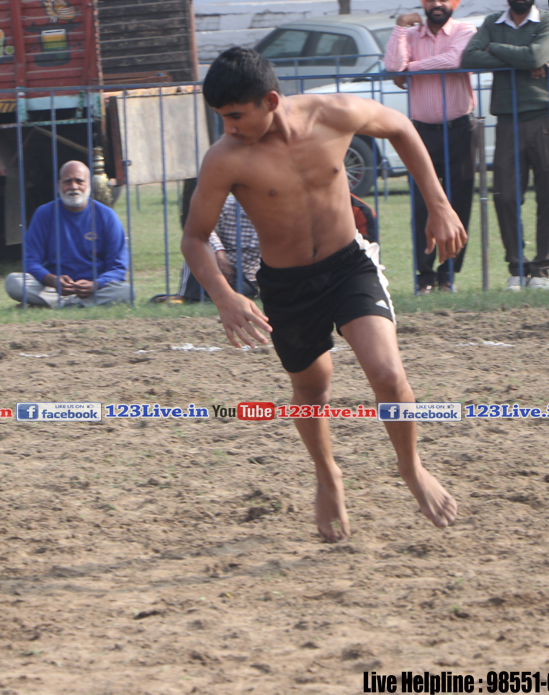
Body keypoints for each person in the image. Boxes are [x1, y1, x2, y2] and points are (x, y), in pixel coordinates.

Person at [182, 47, 466, 542]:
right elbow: (194, 238)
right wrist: (225, 296)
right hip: (286, 285)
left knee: (387, 373)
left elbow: (401, 126)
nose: (228, 127)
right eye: (221, 117)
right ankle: (327, 474)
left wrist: (438, 204)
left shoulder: (333, 113)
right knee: (313, 390)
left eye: (235, 115)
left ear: (271, 100)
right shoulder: (225, 158)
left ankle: (411, 466)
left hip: (348, 266)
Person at [461, 0, 549, 291]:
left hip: (546, 116)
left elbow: (537, 55)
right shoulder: (493, 22)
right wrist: (521, 57)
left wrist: (496, 50)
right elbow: (469, 57)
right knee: (505, 195)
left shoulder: (548, 22)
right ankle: (517, 267)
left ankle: (542, 270)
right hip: (508, 119)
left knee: (548, 196)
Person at [384, 0, 476, 295]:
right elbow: (393, 65)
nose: (437, 4)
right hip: (420, 133)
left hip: (459, 129)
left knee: (458, 203)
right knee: (423, 204)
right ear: (424, 1)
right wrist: (399, 27)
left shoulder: (465, 31)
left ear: (453, 2)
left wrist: (411, 69)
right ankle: (423, 276)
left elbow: (454, 60)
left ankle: (448, 275)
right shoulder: (411, 35)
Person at [5, 160, 132, 307]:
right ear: (59, 185)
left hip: (94, 289)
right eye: (67, 182)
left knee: (126, 291)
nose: (73, 187)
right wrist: (52, 280)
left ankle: (53, 303)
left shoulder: (107, 216)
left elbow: (118, 266)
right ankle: (77, 303)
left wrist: (96, 284)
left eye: (79, 181)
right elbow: (30, 261)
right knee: (13, 282)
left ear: (89, 185)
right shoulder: (44, 214)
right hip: (53, 289)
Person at [176, 194, 260, 301]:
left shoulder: (270, 210)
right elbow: (205, 230)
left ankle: (202, 294)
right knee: (195, 246)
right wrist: (220, 253)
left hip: (243, 274)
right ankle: (184, 295)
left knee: (242, 291)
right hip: (215, 263)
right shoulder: (224, 204)